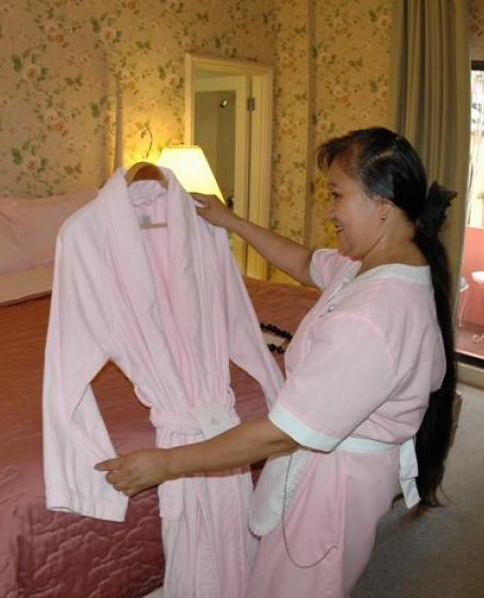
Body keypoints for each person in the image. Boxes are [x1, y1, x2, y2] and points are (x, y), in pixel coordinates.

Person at [95, 127, 457, 597]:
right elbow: (307, 263)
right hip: (339, 476)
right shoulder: (380, 264)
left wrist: (166, 464)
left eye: (336, 195)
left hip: (331, 493)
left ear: (382, 204)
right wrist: (231, 221)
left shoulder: (374, 317)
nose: (328, 211)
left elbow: (280, 434)